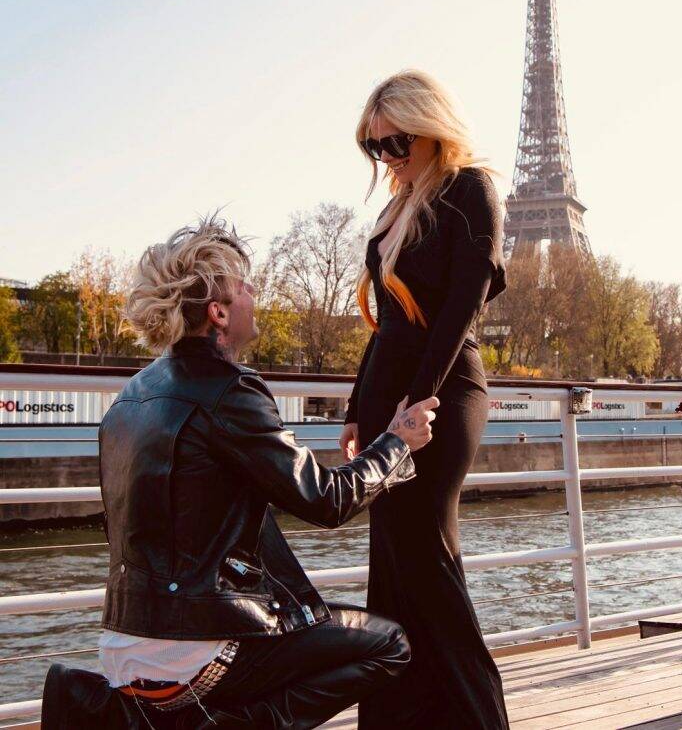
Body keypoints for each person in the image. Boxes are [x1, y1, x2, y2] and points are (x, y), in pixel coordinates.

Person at [41, 214, 440, 729]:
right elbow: (327, 500)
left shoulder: (130, 396)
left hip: (122, 646)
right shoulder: (232, 390)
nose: (255, 293)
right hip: (198, 652)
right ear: (218, 314)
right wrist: (396, 441)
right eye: (244, 287)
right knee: (389, 645)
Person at [338, 70, 510, 729]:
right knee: (394, 568)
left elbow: (457, 314)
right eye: (374, 146)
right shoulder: (394, 208)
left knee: (429, 561)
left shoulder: (471, 189)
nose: (387, 156)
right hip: (390, 404)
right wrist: (358, 408)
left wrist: (417, 405)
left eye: (397, 140)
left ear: (431, 127)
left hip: (442, 395)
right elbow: (387, 325)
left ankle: (479, 718)